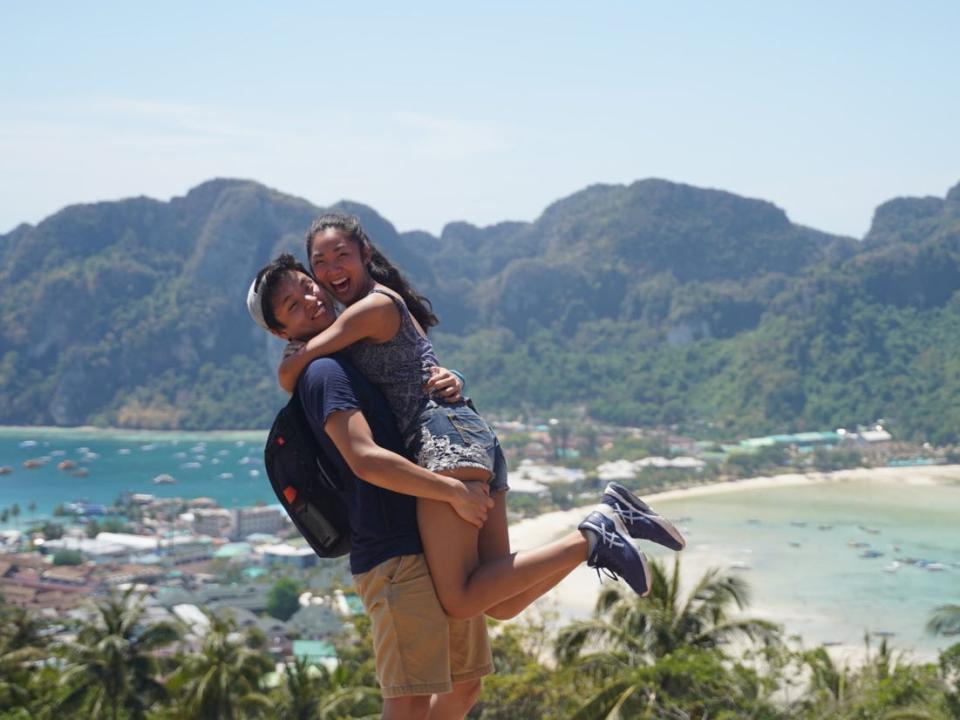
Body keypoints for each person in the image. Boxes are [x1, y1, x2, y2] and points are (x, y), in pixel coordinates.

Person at [255, 218, 684, 623]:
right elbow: (419, 365)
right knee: (499, 603)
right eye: (320, 264)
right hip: (470, 436)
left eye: (340, 256)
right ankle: (607, 521)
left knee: (460, 600)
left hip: (444, 442)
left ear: (365, 252)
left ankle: (596, 535)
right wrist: (454, 378)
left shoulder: (370, 307)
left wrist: (293, 353)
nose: (331, 271)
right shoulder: (370, 311)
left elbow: (294, 371)